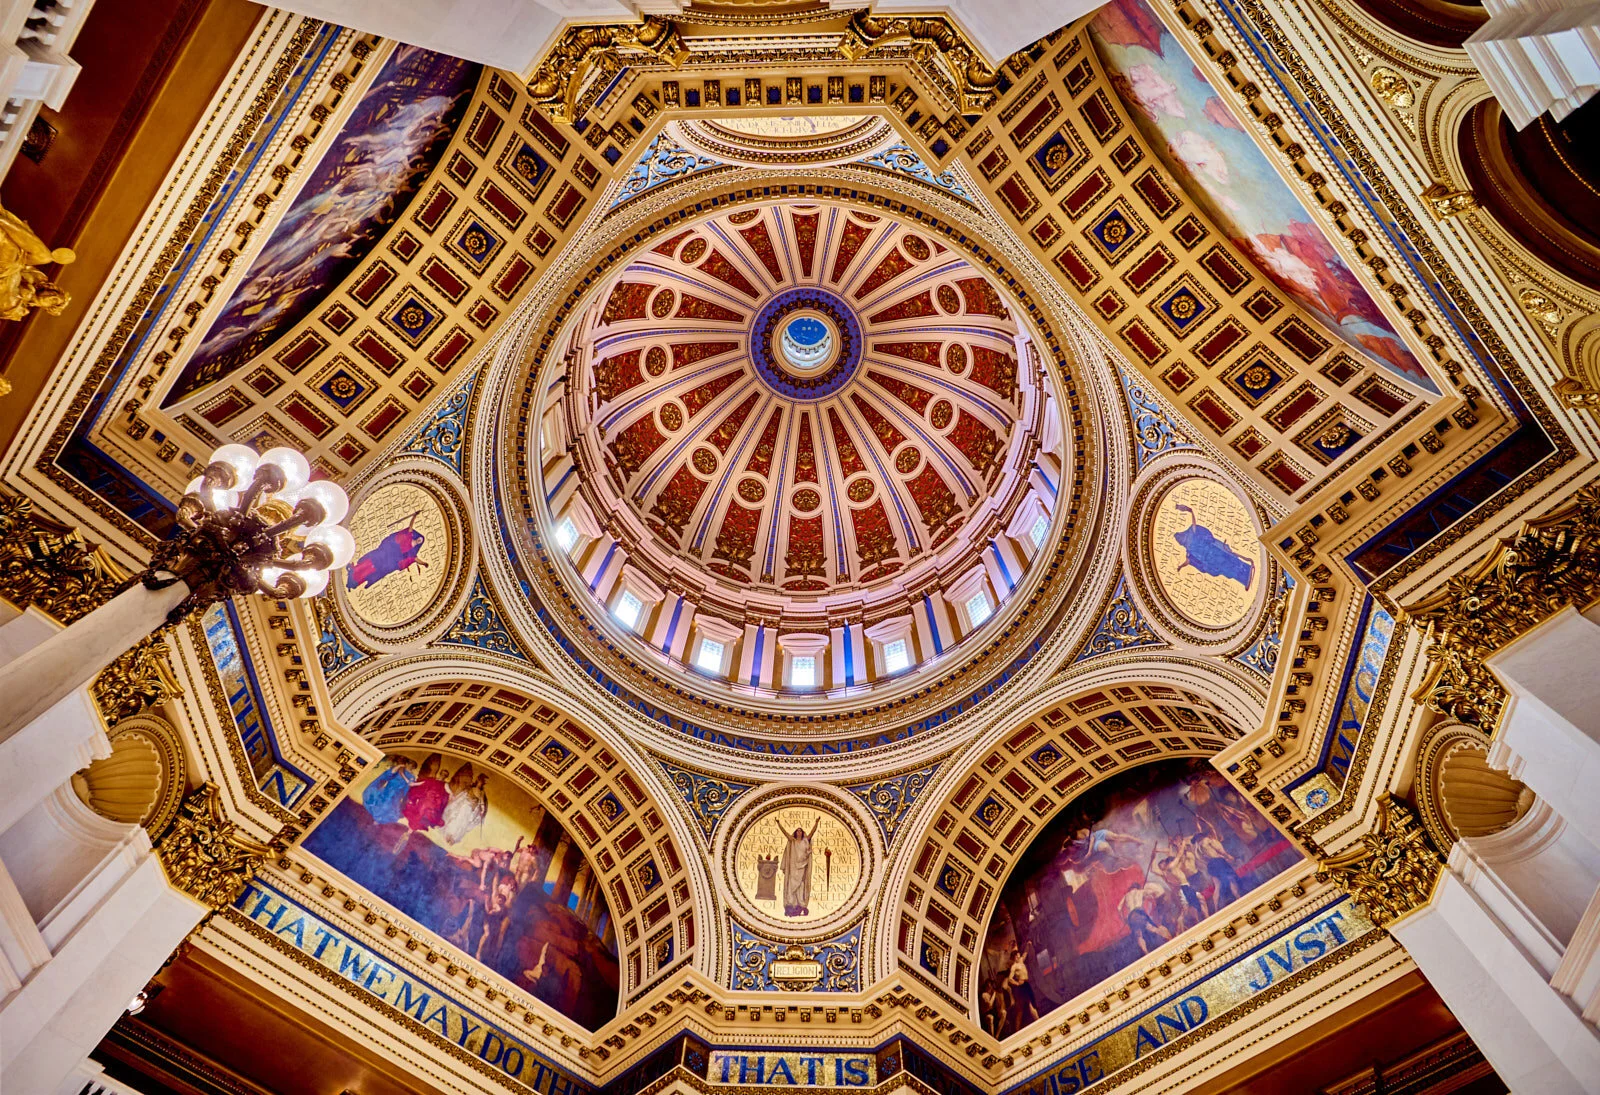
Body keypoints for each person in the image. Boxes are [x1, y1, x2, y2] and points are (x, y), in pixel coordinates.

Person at [775, 815, 822, 916]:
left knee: (801, 884)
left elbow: (812, 832)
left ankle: (801, 903)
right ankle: (791, 903)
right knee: (791, 885)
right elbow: (785, 833)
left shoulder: (805, 840)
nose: (799, 832)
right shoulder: (792, 841)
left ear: (802, 833)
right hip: (793, 866)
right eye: (797, 831)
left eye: (800, 831)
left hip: (802, 866)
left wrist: (816, 823)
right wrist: (779, 824)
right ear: (795, 833)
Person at [399, 753, 450, 846]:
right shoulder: (431, 780)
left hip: (434, 803)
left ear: (446, 777)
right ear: (440, 773)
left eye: (445, 775)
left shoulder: (445, 785)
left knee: (423, 815)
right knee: (419, 812)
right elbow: (419, 784)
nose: (443, 775)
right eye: (442, 773)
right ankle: (409, 832)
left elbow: (448, 795)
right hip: (426, 800)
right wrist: (411, 784)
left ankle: (409, 833)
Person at [1119, 877, 1172, 953]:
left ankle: (1146, 952)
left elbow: (1119, 908)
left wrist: (1124, 920)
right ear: (1138, 887)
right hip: (1139, 913)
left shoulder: (1126, 895)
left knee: (1139, 935)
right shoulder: (1141, 891)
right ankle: (1170, 938)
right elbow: (1156, 892)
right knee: (1154, 928)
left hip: (1131, 916)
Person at [361, 755, 416, 825]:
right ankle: (378, 817)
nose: (410, 767)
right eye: (410, 765)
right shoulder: (400, 770)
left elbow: (407, 788)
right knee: (383, 803)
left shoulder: (411, 776)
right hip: (389, 788)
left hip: (397, 793)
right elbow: (390, 774)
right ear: (407, 764)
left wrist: (404, 794)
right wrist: (399, 766)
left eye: (412, 766)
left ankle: (378, 818)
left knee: (387, 806)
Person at [442, 766, 488, 844]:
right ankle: (449, 834)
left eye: (482, 782)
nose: (480, 783)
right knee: (457, 819)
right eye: (480, 781)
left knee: (463, 823)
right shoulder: (470, 788)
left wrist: (482, 810)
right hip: (464, 806)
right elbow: (463, 796)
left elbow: (482, 803)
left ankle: (454, 838)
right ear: (477, 781)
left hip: (469, 810)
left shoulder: (481, 793)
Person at [1006, 946, 1040, 1034]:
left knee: (1030, 1004)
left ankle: (1037, 1020)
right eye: (1017, 956)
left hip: (1027, 984)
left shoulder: (1021, 961)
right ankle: (1037, 1021)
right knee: (1026, 1006)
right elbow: (1010, 979)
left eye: (1018, 955)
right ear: (1014, 957)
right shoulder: (1014, 966)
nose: (1018, 957)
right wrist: (1017, 983)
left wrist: (1028, 945)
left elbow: (1025, 953)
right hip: (1022, 987)